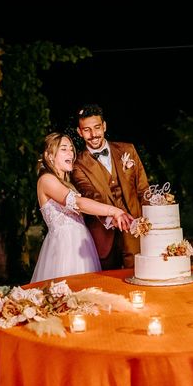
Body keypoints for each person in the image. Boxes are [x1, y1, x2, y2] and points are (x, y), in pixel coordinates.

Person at [31, 132, 133, 282]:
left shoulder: (67, 183)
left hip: (82, 248)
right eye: (64, 149)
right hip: (65, 249)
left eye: (71, 149)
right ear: (49, 156)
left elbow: (81, 213)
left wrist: (113, 219)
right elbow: (78, 204)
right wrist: (113, 210)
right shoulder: (46, 180)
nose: (71, 153)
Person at [71, 103, 150, 269]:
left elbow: (144, 189)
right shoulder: (77, 164)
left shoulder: (128, 149)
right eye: (87, 130)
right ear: (80, 132)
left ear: (104, 126)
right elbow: (90, 195)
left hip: (135, 232)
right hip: (103, 234)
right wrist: (111, 216)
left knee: (139, 283)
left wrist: (150, 223)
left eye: (97, 127)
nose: (93, 135)